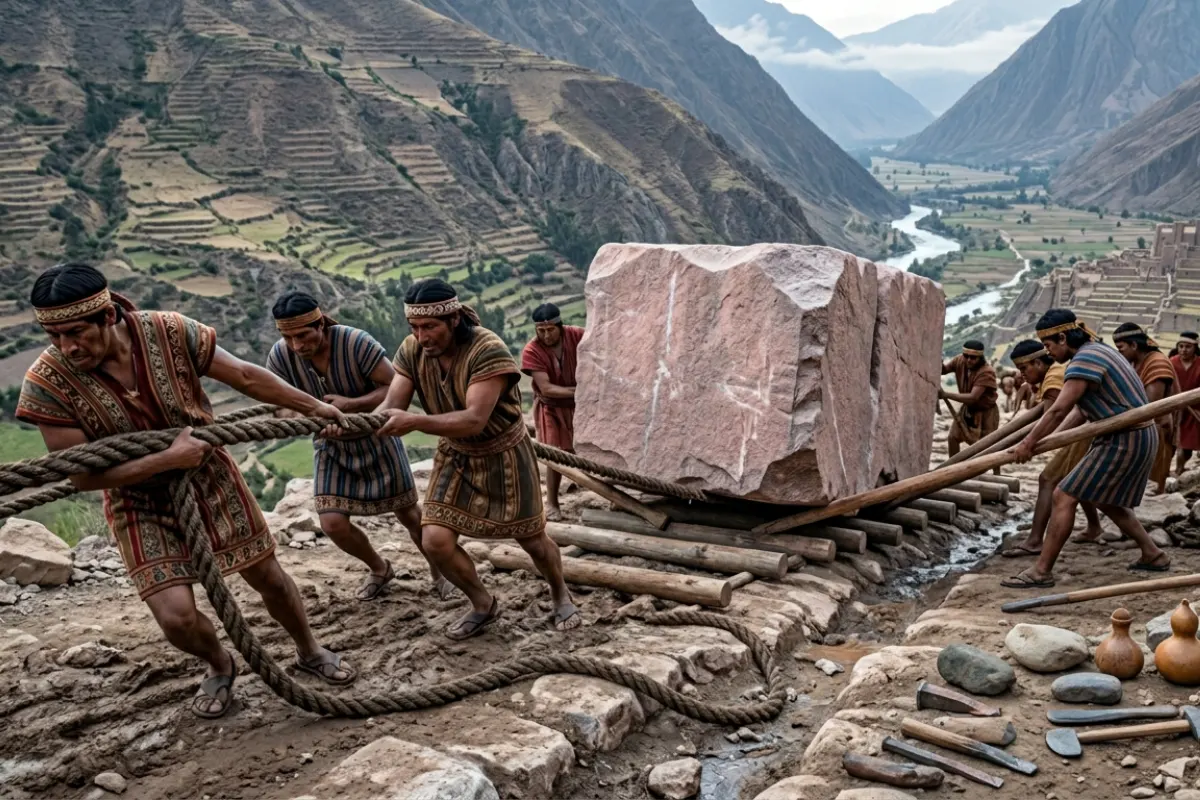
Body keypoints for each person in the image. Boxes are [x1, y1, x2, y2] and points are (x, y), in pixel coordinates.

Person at [17, 263, 357, 719]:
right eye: (55, 336)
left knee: (269, 578)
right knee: (175, 617)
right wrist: (165, 459)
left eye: (75, 332)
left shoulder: (170, 331)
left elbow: (245, 377)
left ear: (107, 316)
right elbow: (81, 475)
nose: (66, 347)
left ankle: (309, 649)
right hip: (136, 499)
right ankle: (218, 663)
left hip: (210, 478)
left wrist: (313, 406)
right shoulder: (46, 382)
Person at [372, 279, 582, 638]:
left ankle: (561, 594)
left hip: (505, 454)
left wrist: (417, 422)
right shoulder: (411, 350)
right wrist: (349, 424)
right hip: (456, 454)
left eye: (430, 327)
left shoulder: (488, 349)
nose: (422, 337)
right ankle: (483, 604)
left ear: (454, 320)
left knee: (531, 539)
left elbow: (474, 419)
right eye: (415, 328)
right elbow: (391, 405)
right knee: (435, 541)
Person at [266, 292, 453, 600]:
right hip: (330, 447)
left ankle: (440, 572)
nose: (297, 345)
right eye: (288, 337)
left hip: (377, 436)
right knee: (332, 523)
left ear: (321, 324)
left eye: (303, 335)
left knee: (408, 514)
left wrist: (350, 405)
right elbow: (279, 404)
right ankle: (380, 568)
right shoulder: (280, 357)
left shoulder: (355, 343)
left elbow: (393, 386)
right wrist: (312, 414)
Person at [1003, 309, 1170, 589]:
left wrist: (1028, 444)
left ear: (1063, 336)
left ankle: (1041, 571)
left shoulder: (1086, 358)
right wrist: (1050, 439)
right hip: (1130, 436)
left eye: (1049, 345)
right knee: (1104, 499)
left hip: (1125, 438)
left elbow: (1058, 410)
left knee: (1063, 495)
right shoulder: (1097, 352)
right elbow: (1079, 412)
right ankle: (1154, 554)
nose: (1048, 352)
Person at [1000, 339, 1102, 558]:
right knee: (1077, 482)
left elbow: (1054, 415)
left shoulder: (1054, 377)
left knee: (1048, 479)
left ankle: (1036, 540)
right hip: (1084, 429)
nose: (1022, 375)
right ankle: (1094, 527)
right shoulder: (1054, 373)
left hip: (1083, 432)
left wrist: (1029, 444)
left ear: (1038, 363)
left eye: (1024, 369)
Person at [521, 303, 585, 521]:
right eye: (541, 331)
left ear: (560, 326)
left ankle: (593, 487)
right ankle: (553, 503)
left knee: (580, 449)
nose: (546, 335)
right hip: (550, 407)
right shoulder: (532, 350)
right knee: (555, 454)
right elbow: (546, 388)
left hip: (580, 406)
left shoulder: (577, 335)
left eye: (550, 330)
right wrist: (581, 391)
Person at [1113, 323, 1176, 494]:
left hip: (1154, 429)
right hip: (1139, 429)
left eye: (1121, 348)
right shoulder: (1135, 362)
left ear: (1134, 345)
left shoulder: (1157, 363)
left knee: (1149, 485)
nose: (1120, 353)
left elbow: (1148, 407)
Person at [941, 341, 1000, 472]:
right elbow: (943, 370)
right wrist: (936, 362)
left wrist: (946, 394)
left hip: (986, 413)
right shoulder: (959, 360)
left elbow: (973, 397)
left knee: (990, 446)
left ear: (980, 357)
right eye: (966, 356)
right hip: (967, 409)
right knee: (953, 437)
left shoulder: (986, 372)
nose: (968, 360)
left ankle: (997, 474)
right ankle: (953, 471)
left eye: (973, 358)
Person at [1172, 332, 1200, 475]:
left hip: (1195, 410)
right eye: (1181, 346)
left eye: (1188, 347)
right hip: (1175, 410)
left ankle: (1182, 471)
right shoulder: (1172, 362)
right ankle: (1177, 471)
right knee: (1180, 444)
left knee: (1188, 445)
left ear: (1195, 347)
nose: (1183, 350)